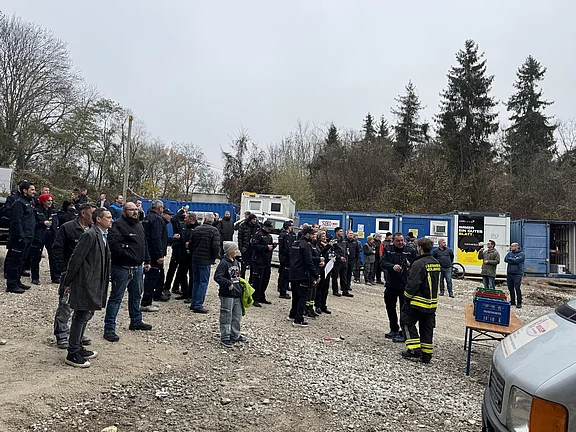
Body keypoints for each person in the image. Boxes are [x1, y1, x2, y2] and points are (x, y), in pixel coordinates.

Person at [63, 207, 112, 368]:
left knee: (86, 314)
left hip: (95, 282)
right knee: (81, 315)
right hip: (85, 282)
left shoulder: (102, 235)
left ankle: (78, 347)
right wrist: (68, 281)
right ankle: (72, 353)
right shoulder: (90, 235)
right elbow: (76, 259)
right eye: (108, 217)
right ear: (98, 219)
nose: (111, 220)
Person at [103, 202, 153, 343]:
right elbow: (114, 246)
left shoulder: (139, 225)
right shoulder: (117, 226)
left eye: (136, 210)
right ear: (124, 211)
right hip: (122, 268)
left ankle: (136, 321)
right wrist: (129, 256)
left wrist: (147, 260)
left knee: (136, 295)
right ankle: (109, 328)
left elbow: (144, 244)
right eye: (131, 210)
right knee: (116, 298)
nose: (135, 212)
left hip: (137, 268)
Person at [52, 204, 95, 349]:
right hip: (70, 274)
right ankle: (62, 334)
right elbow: (57, 249)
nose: (95, 217)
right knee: (65, 305)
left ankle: (77, 334)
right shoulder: (67, 228)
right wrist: (64, 270)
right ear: (83, 214)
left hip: (88, 275)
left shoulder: (94, 230)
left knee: (86, 306)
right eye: (92, 214)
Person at [400, 238, 440, 364]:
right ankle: (426, 354)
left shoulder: (419, 263)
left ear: (420, 247)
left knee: (406, 322)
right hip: (431, 303)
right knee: (427, 328)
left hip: (417, 302)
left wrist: (406, 297)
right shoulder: (435, 263)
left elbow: (413, 283)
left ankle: (414, 350)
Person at [380, 232, 417, 343]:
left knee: (404, 310)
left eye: (402, 240)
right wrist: (392, 266)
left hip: (404, 285)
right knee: (390, 307)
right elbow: (382, 263)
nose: (401, 243)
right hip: (391, 284)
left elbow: (416, 264)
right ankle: (394, 329)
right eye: (398, 241)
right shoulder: (388, 249)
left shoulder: (410, 250)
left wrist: (409, 268)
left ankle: (404, 332)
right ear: (393, 241)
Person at [4, 181, 36, 294]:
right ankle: (11, 285)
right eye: (32, 189)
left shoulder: (29, 202)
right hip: (19, 238)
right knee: (14, 261)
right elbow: (16, 221)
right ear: (24, 190)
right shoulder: (19, 203)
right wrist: (21, 236)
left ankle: (17, 281)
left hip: (28, 236)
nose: (34, 192)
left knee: (21, 261)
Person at [214, 241, 246, 348]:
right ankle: (225, 337)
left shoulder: (236, 262)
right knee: (226, 315)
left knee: (237, 316)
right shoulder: (223, 263)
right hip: (227, 294)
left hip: (236, 293)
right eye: (235, 249)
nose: (237, 251)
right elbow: (217, 277)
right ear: (230, 251)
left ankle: (235, 334)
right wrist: (227, 283)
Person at [289, 226, 320, 327]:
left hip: (293, 273)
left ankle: (292, 314)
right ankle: (298, 319)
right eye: (312, 234)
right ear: (307, 235)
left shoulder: (295, 243)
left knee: (295, 296)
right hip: (303, 274)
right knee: (302, 297)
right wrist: (316, 275)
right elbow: (308, 261)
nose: (313, 236)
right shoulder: (306, 245)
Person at [189, 212, 220, 313]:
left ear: (204, 219)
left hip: (195, 259)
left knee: (196, 281)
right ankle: (198, 304)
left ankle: (194, 302)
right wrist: (214, 257)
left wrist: (193, 253)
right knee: (203, 282)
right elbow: (215, 246)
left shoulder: (196, 229)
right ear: (212, 221)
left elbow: (190, 244)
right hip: (205, 260)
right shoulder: (214, 231)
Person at [141, 200, 169, 312]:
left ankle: (149, 298)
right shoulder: (157, 219)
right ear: (160, 208)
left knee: (149, 277)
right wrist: (159, 254)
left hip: (147, 251)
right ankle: (146, 302)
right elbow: (156, 238)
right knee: (151, 277)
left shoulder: (146, 218)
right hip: (154, 254)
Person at [30, 194, 59, 285]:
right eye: (48, 200)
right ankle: (35, 277)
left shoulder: (53, 211)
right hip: (39, 236)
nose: (50, 202)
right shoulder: (36, 211)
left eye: (51, 200)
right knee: (36, 256)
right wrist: (43, 223)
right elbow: (32, 224)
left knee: (53, 256)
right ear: (43, 201)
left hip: (51, 236)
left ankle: (55, 277)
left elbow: (56, 223)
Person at [250, 220, 276, 307]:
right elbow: (254, 246)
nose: (270, 230)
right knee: (257, 280)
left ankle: (261, 296)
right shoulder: (258, 235)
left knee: (265, 279)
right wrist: (266, 247)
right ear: (264, 227)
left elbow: (269, 247)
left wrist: (272, 246)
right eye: (268, 228)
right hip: (258, 260)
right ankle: (254, 298)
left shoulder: (269, 236)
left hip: (266, 260)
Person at [175, 212, 199, 302]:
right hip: (183, 255)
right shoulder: (185, 227)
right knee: (181, 273)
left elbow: (199, 241)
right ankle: (184, 292)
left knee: (192, 275)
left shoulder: (197, 228)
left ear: (191, 219)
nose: (184, 219)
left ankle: (191, 294)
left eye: (186, 218)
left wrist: (190, 243)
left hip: (192, 256)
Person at [164, 206, 186, 295]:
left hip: (183, 248)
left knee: (181, 270)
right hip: (176, 247)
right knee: (172, 268)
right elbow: (173, 219)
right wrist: (181, 211)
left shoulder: (186, 223)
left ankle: (176, 287)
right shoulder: (176, 222)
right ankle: (166, 287)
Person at [314, 230, 332, 314]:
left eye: (325, 236)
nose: (325, 238)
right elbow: (320, 253)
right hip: (320, 268)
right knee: (319, 287)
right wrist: (328, 246)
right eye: (323, 236)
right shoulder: (317, 245)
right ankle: (317, 305)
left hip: (327, 268)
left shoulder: (326, 244)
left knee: (326, 287)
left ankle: (323, 305)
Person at [330, 227, 352, 297]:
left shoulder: (344, 241)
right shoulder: (333, 241)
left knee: (344, 276)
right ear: (336, 232)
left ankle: (345, 291)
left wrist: (346, 258)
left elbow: (346, 250)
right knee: (335, 276)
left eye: (342, 231)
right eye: (340, 231)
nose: (342, 233)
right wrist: (339, 257)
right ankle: (335, 291)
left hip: (344, 261)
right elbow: (332, 251)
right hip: (337, 261)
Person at [238, 214, 260, 279]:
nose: (255, 221)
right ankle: (242, 279)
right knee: (243, 266)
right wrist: (241, 248)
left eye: (255, 219)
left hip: (253, 249)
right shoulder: (243, 225)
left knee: (253, 266)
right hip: (245, 248)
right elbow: (240, 238)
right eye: (253, 219)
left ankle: (251, 281)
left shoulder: (258, 226)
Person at [277, 220, 295, 300]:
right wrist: (292, 256)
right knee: (284, 275)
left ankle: (282, 289)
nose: (292, 228)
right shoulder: (286, 235)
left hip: (283, 257)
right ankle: (283, 292)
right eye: (291, 226)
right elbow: (287, 248)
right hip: (286, 258)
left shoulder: (283, 234)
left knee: (282, 274)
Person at [504, 243, 525, 308]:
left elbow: (517, 261)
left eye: (512, 246)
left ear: (516, 247)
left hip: (517, 274)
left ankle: (519, 302)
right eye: (511, 246)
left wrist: (511, 259)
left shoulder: (521, 254)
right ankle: (512, 301)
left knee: (517, 288)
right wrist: (514, 259)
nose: (511, 247)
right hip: (510, 273)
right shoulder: (510, 253)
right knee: (510, 288)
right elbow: (505, 259)